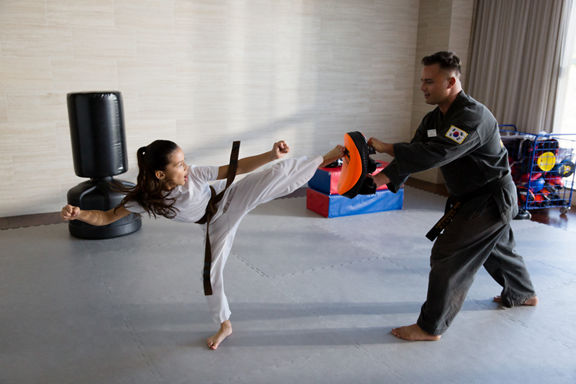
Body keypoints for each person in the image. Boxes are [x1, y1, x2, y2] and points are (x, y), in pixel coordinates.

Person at [62, 139, 344, 350]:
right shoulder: (142, 200)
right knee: (210, 275)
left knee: (277, 174)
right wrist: (80, 213)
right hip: (215, 223)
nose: (186, 167)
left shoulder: (194, 175)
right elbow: (107, 216)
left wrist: (271, 155)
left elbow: (234, 168)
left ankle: (326, 157)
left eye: (184, 161)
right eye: (179, 164)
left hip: (231, 197)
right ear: (160, 174)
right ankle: (225, 325)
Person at [368, 51, 537, 341]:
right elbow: (415, 154)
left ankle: (430, 327)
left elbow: (439, 152)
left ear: (451, 81)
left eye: (429, 81)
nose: (423, 87)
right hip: (469, 197)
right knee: (498, 249)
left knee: (448, 255)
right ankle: (523, 293)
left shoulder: (472, 116)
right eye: (422, 81)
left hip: (490, 199)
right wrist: (375, 182)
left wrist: (386, 146)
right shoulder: (433, 117)